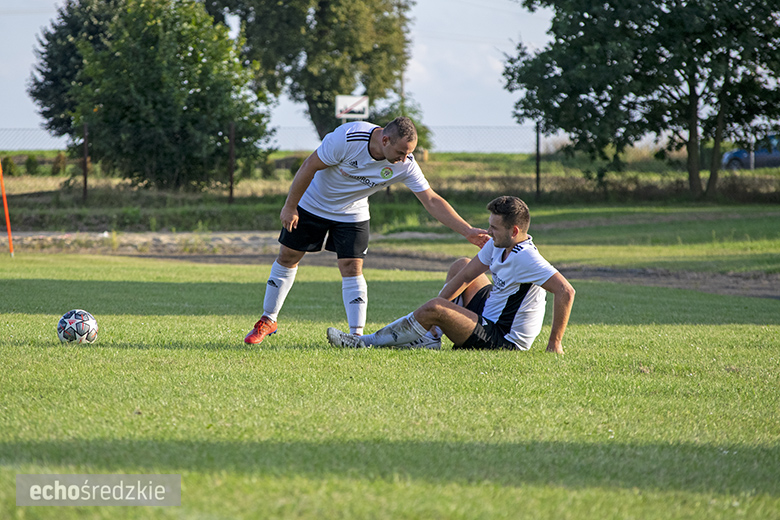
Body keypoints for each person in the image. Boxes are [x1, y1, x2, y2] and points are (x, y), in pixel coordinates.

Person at [244, 116, 489, 345]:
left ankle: (356, 337)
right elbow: (309, 166)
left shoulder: (405, 164)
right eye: (401, 152)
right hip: (313, 203)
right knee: (288, 257)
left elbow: (431, 200)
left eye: (409, 153)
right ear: (385, 140)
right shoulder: (348, 138)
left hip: (352, 212)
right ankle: (268, 319)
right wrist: (290, 206)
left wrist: (467, 230)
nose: (405, 159)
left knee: (352, 266)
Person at [326, 196, 576, 353]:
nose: (488, 232)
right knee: (460, 264)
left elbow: (566, 291)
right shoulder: (498, 244)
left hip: (502, 339)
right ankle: (431, 336)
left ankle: (364, 342)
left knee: (435, 307)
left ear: (514, 231)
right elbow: (465, 276)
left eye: (494, 227)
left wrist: (555, 343)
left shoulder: (527, 257)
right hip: (487, 314)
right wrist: (436, 322)